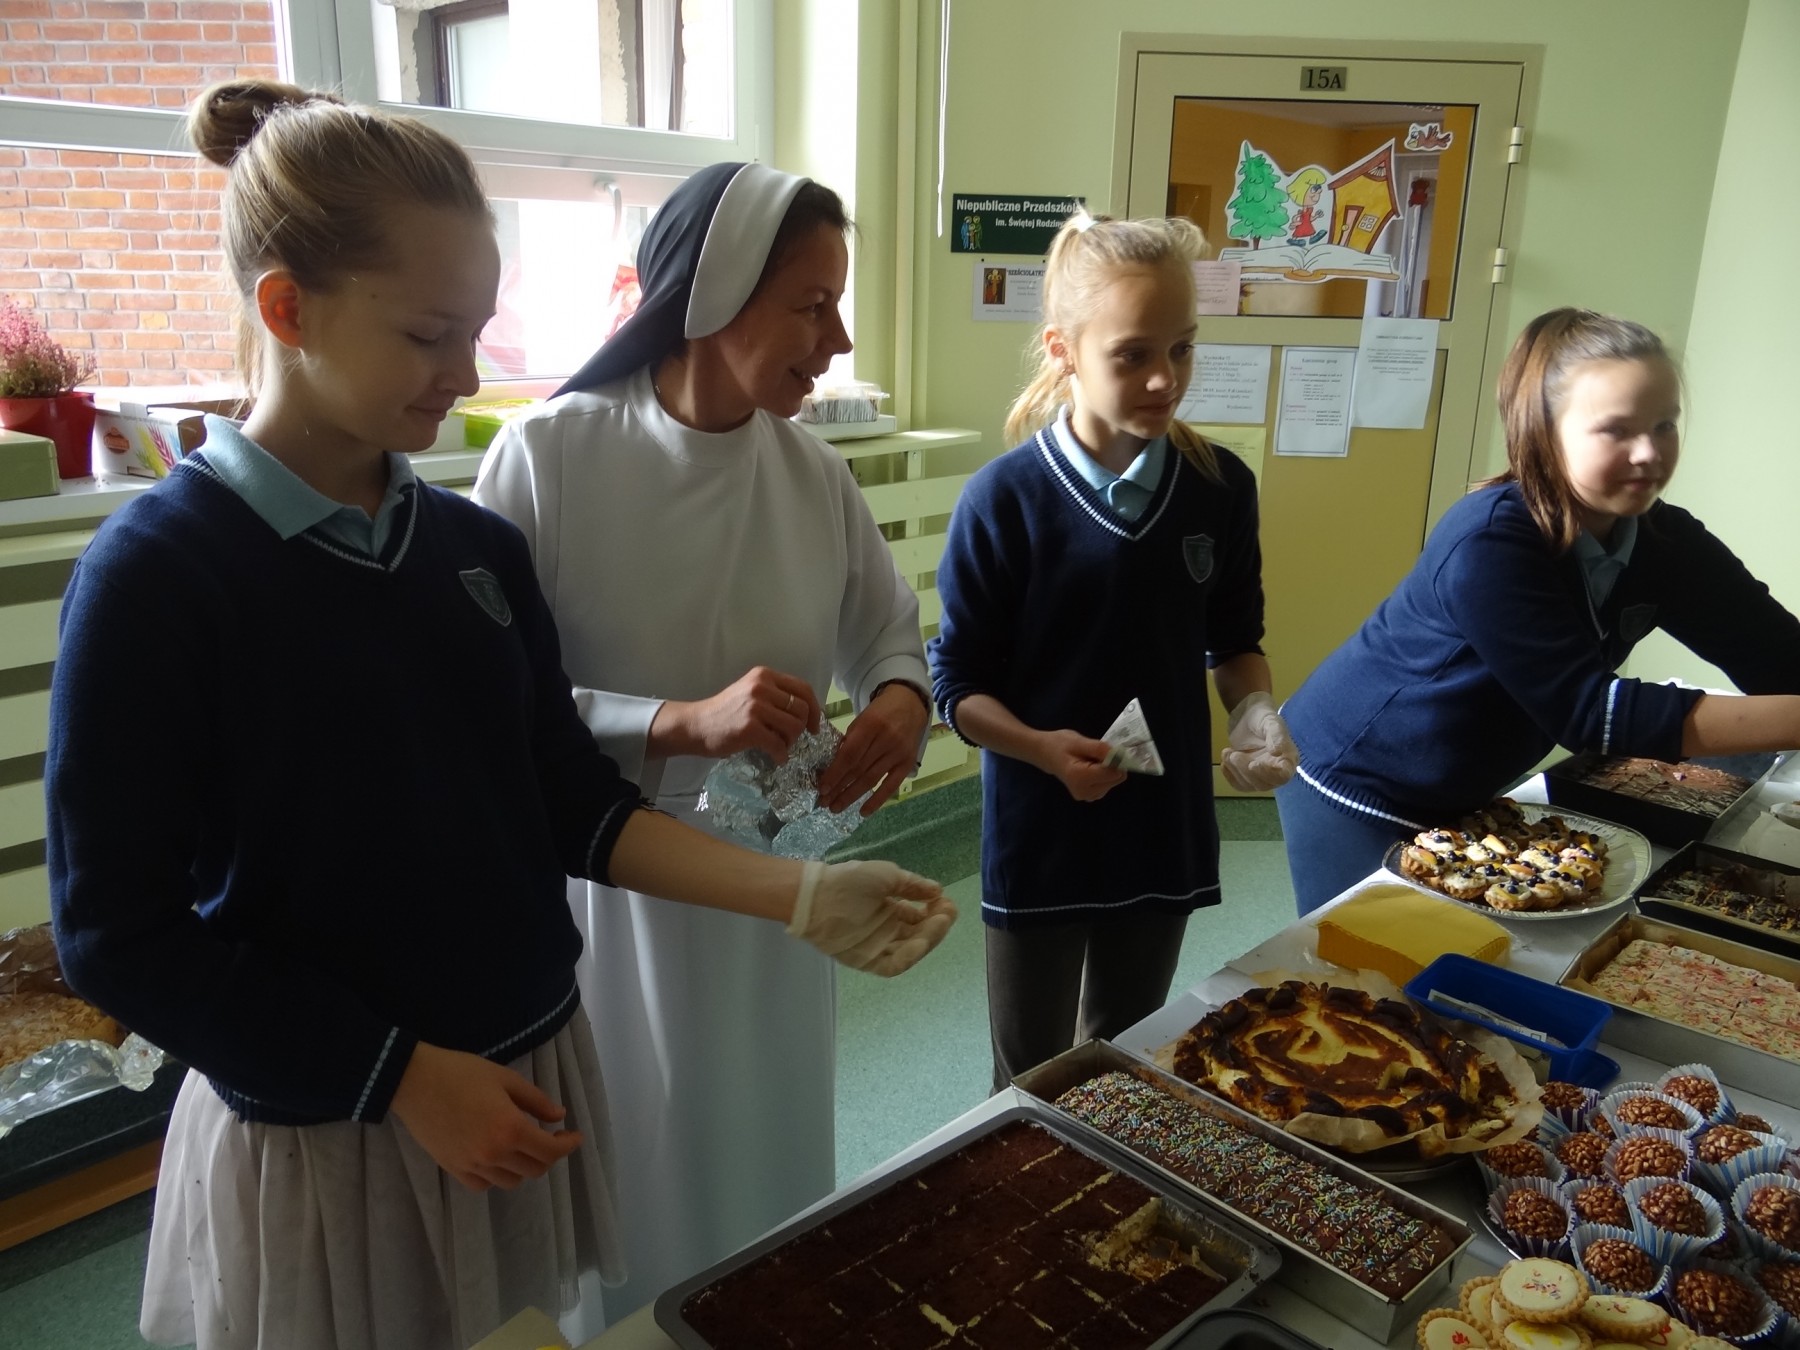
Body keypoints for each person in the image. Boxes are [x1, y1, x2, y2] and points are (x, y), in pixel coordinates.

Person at [45, 84, 954, 1350]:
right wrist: (400, 1076)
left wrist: (801, 897)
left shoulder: (467, 553)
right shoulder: (161, 575)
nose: (470, 376)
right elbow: (116, 935)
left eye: (476, 331)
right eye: (430, 335)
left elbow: (567, 800)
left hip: (522, 1076)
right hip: (333, 1121)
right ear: (287, 310)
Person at [472, 161, 936, 1320]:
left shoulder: (810, 472)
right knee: (635, 1151)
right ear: (715, 295)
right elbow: (487, 703)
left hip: (776, 885)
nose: (836, 340)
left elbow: (888, 629)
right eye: (813, 305)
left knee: (768, 1141)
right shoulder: (548, 456)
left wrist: (897, 701)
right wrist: (676, 723)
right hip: (614, 894)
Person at [926, 213, 1298, 1093]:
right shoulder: (1003, 500)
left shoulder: (1219, 488)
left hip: (1161, 827)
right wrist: (1041, 750)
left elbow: (1235, 642)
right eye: (1132, 355)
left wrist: (1255, 713)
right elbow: (957, 685)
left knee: (1125, 1060)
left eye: (1183, 348)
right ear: (1064, 350)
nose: (1165, 378)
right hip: (1040, 829)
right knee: (1029, 1076)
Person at [1277, 307, 1800, 914]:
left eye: (1665, 425)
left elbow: (1774, 652)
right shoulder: (1489, 540)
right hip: (1359, 776)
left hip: (1465, 779)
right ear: (1543, 433)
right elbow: (1593, 714)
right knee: (1367, 951)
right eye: (1617, 430)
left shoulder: (1666, 540)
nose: (1649, 452)